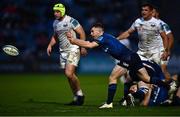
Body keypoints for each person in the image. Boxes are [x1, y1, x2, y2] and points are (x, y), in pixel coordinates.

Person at [67, 23, 167, 108]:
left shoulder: (102, 38)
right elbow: (90, 43)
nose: (91, 33)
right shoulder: (105, 37)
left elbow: (89, 45)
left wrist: (73, 41)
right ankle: (168, 85)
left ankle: (109, 103)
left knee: (112, 77)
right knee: (147, 78)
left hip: (127, 59)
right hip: (133, 57)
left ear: (99, 31)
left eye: (93, 31)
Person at [47, 3, 87, 106]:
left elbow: (82, 33)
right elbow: (55, 36)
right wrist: (50, 45)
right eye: (54, 11)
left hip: (73, 49)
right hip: (63, 52)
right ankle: (76, 97)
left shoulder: (71, 20)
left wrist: (82, 47)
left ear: (63, 11)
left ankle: (80, 95)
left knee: (69, 73)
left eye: (57, 11)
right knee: (69, 76)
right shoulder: (55, 23)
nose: (55, 13)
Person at [152, 8, 174, 82]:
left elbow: (170, 38)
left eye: (153, 12)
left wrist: (167, 50)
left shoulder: (162, 24)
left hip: (163, 50)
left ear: (157, 14)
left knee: (162, 69)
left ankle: (172, 84)